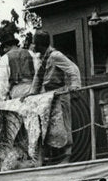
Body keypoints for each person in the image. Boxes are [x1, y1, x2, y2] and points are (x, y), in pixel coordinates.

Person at [30, 30, 81, 164]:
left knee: (64, 125)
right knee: (49, 127)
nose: (33, 46)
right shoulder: (43, 57)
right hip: (48, 96)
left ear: (39, 44)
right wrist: (32, 93)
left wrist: (75, 86)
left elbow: (73, 69)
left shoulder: (55, 56)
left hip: (60, 94)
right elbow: (38, 77)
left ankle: (67, 157)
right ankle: (50, 158)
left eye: (34, 43)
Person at [0, 25, 36, 103]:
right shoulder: (30, 53)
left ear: (7, 46)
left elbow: (3, 83)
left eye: (4, 48)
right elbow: (38, 73)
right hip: (34, 90)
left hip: (18, 92)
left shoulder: (5, 58)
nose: (4, 50)